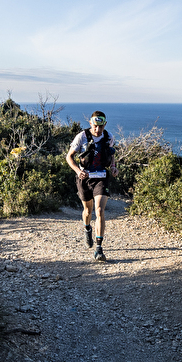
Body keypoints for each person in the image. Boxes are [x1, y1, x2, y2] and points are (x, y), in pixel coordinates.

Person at [66, 111, 116, 262]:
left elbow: (112, 155)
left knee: (99, 210)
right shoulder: (81, 137)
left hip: (101, 177)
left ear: (104, 124)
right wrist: (78, 171)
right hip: (85, 177)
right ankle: (87, 228)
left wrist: (113, 167)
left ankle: (99, 248)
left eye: (100, 126)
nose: (97, 129)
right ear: (90, 123)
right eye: (95, 126)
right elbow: (69, 157)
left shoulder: (108, 137)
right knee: (87, 211)